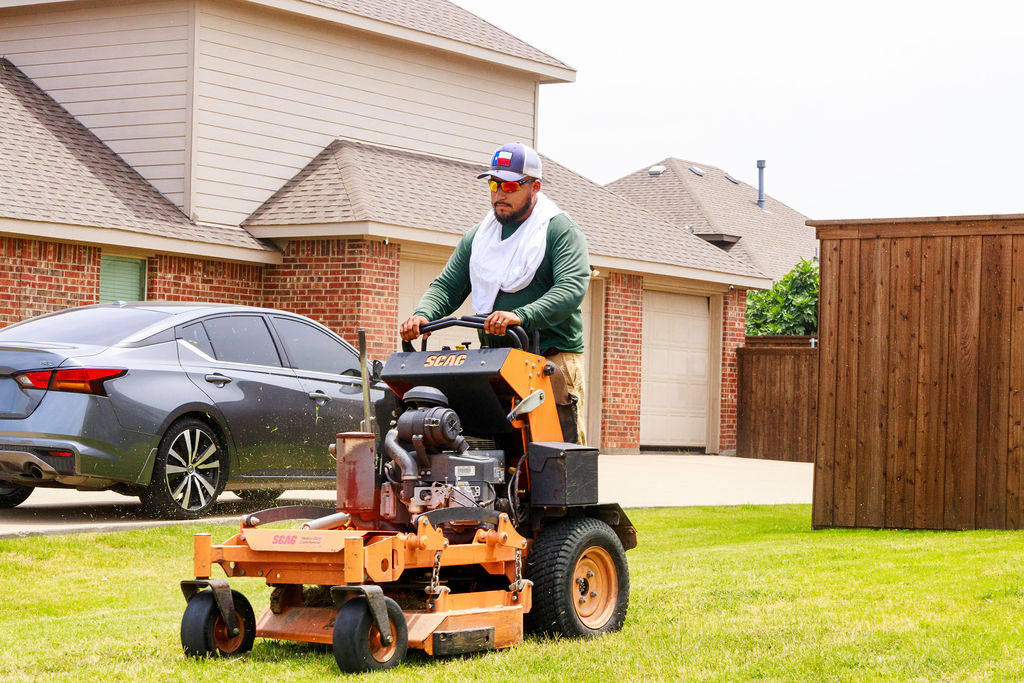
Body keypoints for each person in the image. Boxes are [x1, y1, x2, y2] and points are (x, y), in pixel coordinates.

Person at [399, 142, 591, 444]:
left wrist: (521, 315)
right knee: (497, 446)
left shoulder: (558, 230)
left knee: (556, 454)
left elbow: (571, 289)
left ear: (535, 187)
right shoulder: (479, 236)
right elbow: (447, 286)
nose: (500, 194)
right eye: (494, 184)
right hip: (496, 362)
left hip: (550, 361)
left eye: (511, 185)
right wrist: (423, 314)